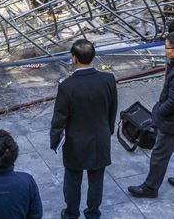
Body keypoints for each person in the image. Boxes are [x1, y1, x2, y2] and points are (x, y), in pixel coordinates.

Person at [50, 39, 118, 218]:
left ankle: (71, 213)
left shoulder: (67, 86)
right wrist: (108, 131)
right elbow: (112, 109)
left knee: (73, 180)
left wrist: (55, 140)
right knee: (97, 180)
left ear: (74, 58)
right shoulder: (108, 79)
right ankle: (93, 212)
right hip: (100, 139)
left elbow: (59, 118)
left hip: (75, 143)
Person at [128, 31, 174, 198]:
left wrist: (158, 113)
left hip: (171, 123)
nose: (165, 50)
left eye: (167, 48)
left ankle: (150, 188)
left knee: (159, 156)